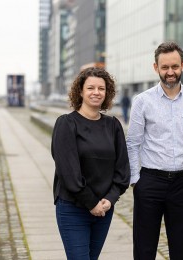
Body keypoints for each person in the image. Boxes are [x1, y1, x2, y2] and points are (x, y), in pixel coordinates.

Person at [126, 41, 183, 260]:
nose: (170, 72)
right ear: (156, 68)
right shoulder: (142, 101)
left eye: (174, 66)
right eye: (165, 67)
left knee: (182, 249)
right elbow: (133, 143)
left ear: (182, 65)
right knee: (144, 250)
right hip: (150, 182)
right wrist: (137, 181)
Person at [51, 67, 130, 260]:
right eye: (91, 88)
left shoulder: (113, 126)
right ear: (80, 91)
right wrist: (92, 203)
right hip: (73, 208)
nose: (96, 92)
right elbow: (68, 172)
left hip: (104, 210)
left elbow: (122, 171)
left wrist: (109, 200)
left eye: (101, 88)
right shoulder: (66, 124)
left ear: (107, 92)